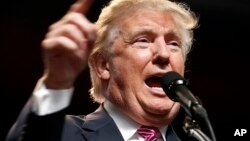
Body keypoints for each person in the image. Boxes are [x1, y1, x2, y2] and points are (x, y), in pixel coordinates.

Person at [6, 0, 198, 141]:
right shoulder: (62, 134)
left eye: (174, 44)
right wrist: (56, 83)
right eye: (143, 40)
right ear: (103, 65)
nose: (164, 54)